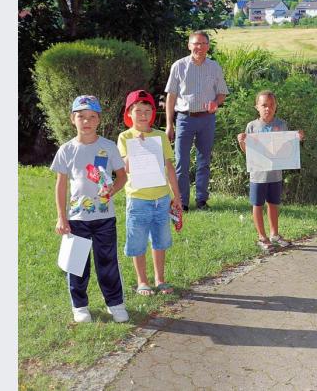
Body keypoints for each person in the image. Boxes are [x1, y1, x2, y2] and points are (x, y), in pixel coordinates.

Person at [50, 95, 129, 323]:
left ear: (99, 120)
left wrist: (112, 191)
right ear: (72, 119)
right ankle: (80, 305)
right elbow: (61, 184)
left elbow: (122, 177)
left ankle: (115, 303)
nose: (86, 121)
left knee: (108, 262)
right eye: (81, 116)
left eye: (92, 117)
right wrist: (61, 217)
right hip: (77, 219)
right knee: (77, 264)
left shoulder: (108, 147)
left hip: (105, 217)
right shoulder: (66, 150)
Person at [117, 90, 183, 295]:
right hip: (138, 200)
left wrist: (177, 195)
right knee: (137, 241)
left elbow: (169, 167)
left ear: (153, 113)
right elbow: (124, 167)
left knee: (160, 240)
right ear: (129, 113)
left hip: (161, 199)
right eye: (138, 111)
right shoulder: (125, 137)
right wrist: (138, 145)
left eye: (147, 110)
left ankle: (160, 279)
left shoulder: (160, 136)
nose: (143, 115)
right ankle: (142, 281)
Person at [165, 30, 229, 211]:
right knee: (181, 162)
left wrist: (216, 102)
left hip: (207, 119)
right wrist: (170, 124)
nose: (199, 47)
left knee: (204, 161)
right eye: (196, 43)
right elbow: (171, 96)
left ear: (208, 47)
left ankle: (201, 200)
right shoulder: (179, 66)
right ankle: (182, 202)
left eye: (203, 44)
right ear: (189, 45)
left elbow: (222, 92)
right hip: (185, 119)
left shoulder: (214, 67)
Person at [237, 90, 304, 252]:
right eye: (264, 105)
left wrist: (297, 139)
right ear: (257, 107)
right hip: (257, 175)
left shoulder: (281, 125)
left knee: (273, 204)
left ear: (276, 107)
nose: (268, 108)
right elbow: (249, 153)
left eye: (271, 105)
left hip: (275, 174)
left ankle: (274, 234)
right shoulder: (252, 126)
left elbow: (287, 148)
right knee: (257, 204)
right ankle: (262, 237)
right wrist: (241, 143)